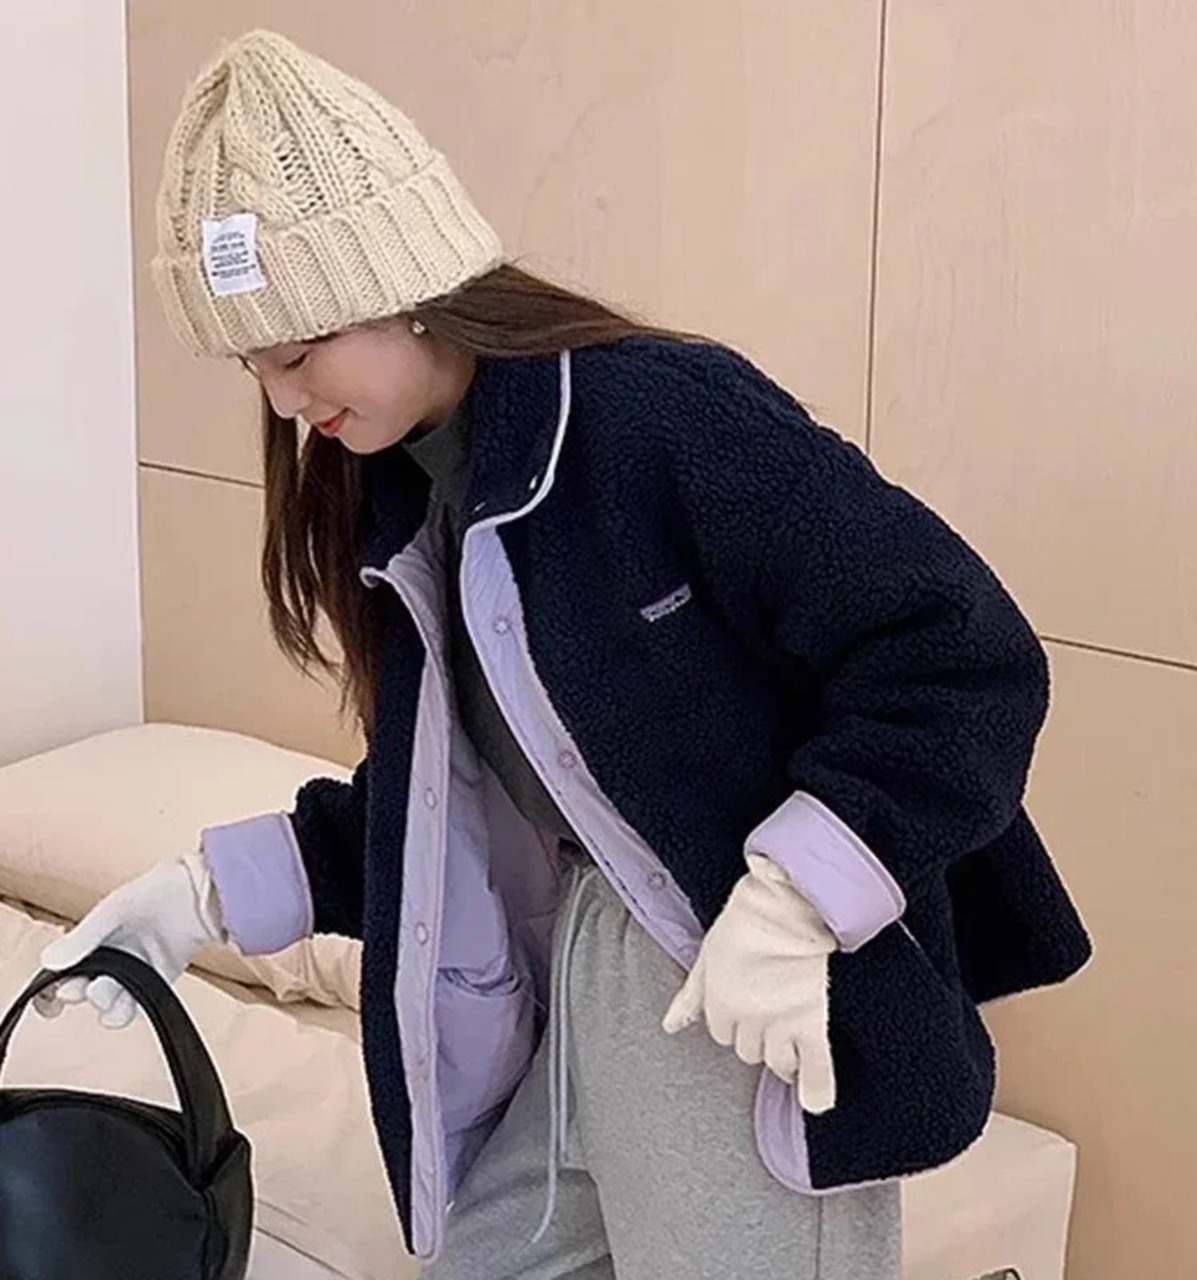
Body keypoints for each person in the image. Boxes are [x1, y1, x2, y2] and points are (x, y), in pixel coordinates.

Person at [36, 28, 1091, 1280]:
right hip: (578, 967)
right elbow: (451, 803)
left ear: (400, 282)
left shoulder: (656, 419)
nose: (281, 402)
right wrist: (201, 895)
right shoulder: (404, 496)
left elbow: (961, 652)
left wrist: (796, 897)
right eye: (253, 365)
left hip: (731, 977)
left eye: (297, 350)